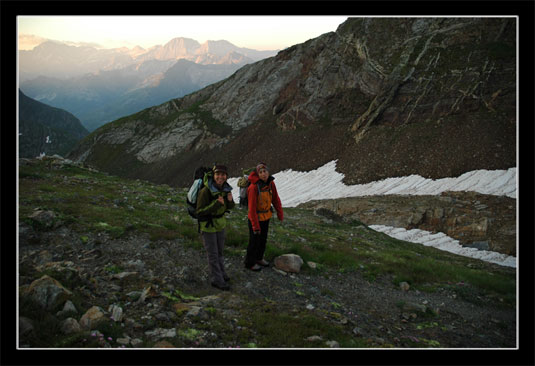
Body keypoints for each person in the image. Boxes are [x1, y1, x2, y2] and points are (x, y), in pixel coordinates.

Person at [196, 164, 235, 290]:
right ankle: (217, 279)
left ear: (226, 176)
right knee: (213, 253)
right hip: (208, 226)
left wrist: (230, 202)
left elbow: (229, 207)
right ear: (214, 175)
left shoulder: (225, 189)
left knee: (219, 252)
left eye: (223, 175)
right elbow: (200, 211)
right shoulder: (205, 190)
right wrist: (216, 205)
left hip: (220, 224)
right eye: (218, 174)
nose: (220, 177)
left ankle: (222, 274)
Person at [244, 162, 284, 271]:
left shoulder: (271, 183)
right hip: (256, 218)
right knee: (254, 241)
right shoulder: (253, 187)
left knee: (263, 239)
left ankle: (259, 258)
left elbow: (275, 199)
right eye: (260, 172)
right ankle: (249, 263)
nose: (263, 174)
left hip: (266, 216)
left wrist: (280, 213)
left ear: (268, 172)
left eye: (265, 171)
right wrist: (255, 225)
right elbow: (251, 209)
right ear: (258, 174)